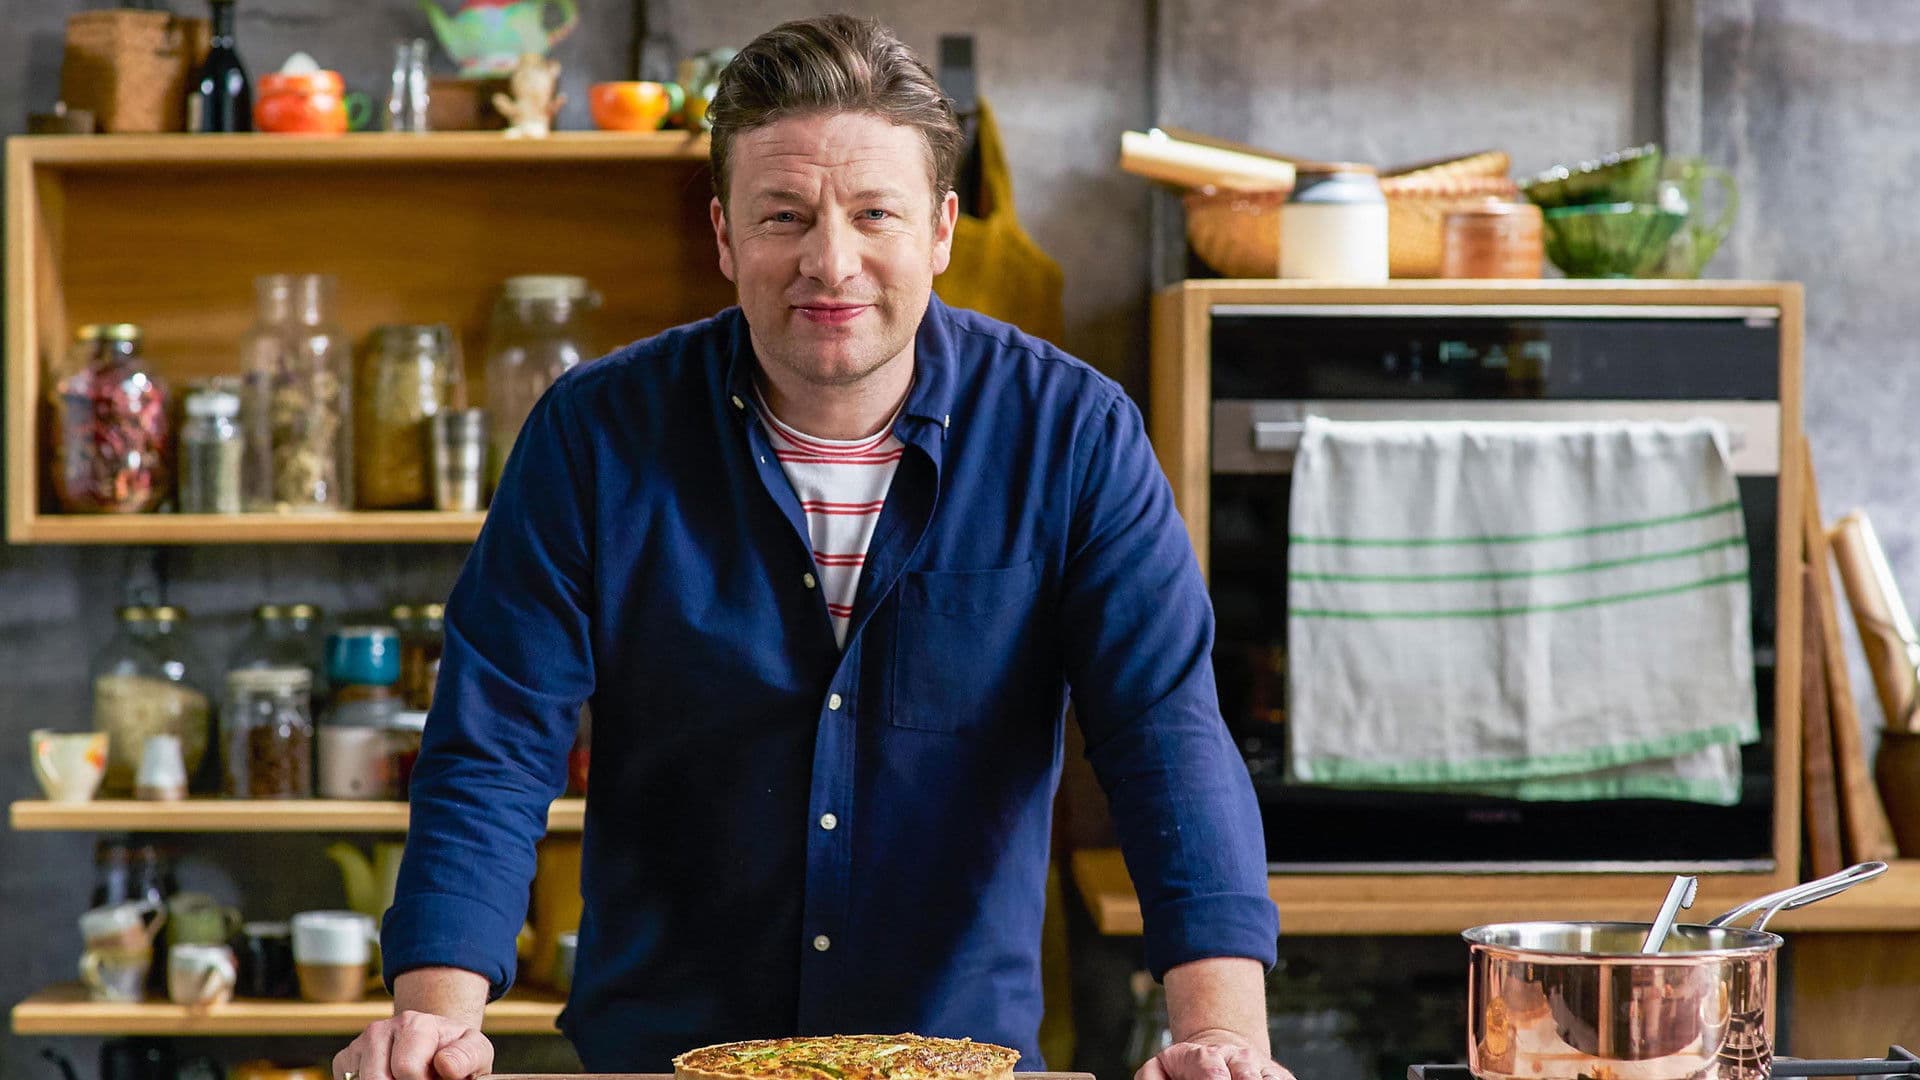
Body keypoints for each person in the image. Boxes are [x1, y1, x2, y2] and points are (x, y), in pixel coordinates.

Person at [331, 14, 1285, 1080]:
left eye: (875, 213)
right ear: (726, 237)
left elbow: (1167, 738)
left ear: (941, 231)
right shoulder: (594, 433)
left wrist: (1220, 1037)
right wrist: (436, 1020)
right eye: (784, 216)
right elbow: (495, 735)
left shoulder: (1073, 435)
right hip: (662, 1055)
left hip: (956, 1058)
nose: (830, 263)